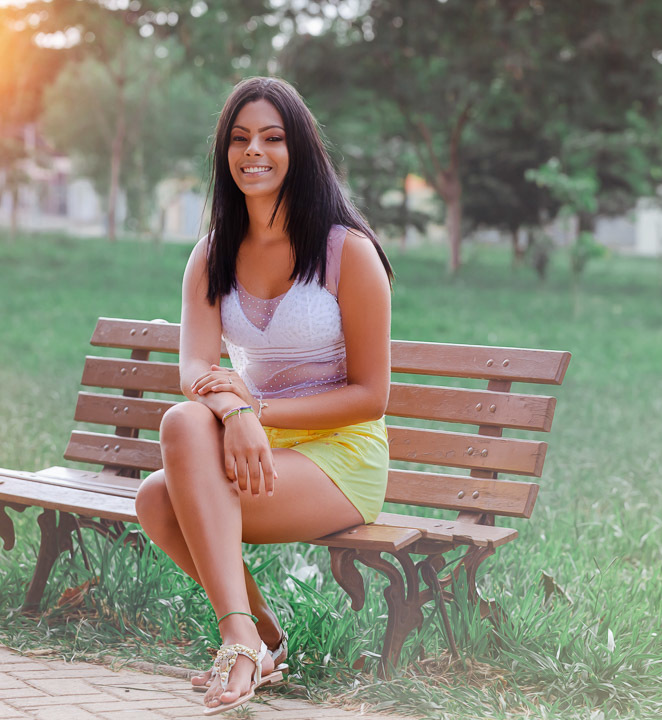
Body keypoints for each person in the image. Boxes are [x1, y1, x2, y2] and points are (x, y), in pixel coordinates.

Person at [134, 76, 394, 716]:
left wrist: (255, 410)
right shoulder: (212, 255)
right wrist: (234, 408)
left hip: (341, 456)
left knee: (168, 496)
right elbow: (195, 364)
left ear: (298, 150)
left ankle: (242, 644)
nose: (255, 151)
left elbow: (371, 394)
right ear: (224, 152)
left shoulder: (346, 252)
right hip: (259, 445)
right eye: (240, 138)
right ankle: (253, 634)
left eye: (272, 138)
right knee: (171, 453)